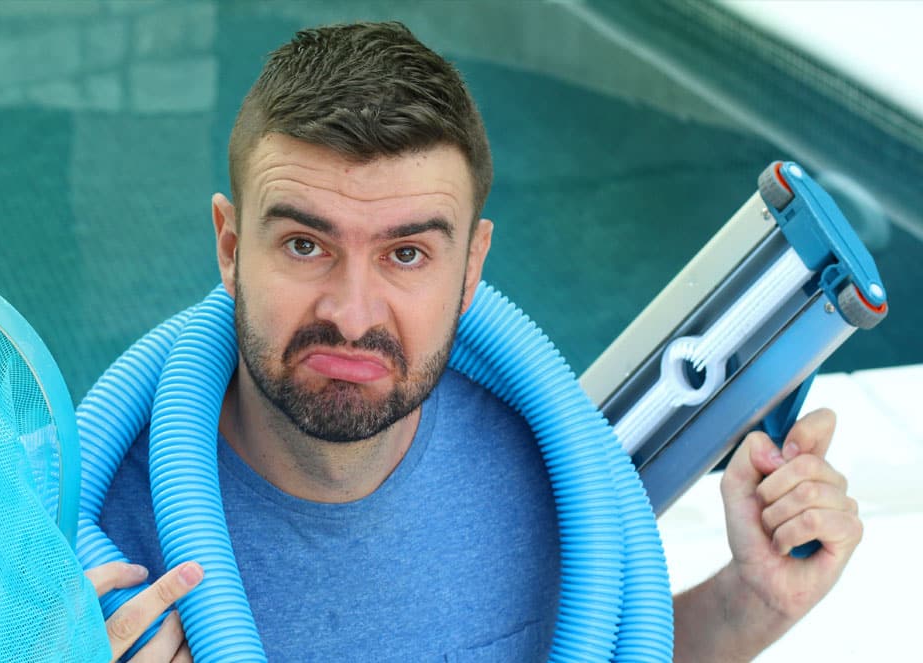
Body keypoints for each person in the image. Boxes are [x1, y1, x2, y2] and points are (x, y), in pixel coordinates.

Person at [84, 22, 863, 662]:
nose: (353, 314)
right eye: (304, 245)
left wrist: (750, 601)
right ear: (228, 245)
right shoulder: (73, 524)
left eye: (407, 254)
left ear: (471, 267)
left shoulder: (555, 472)